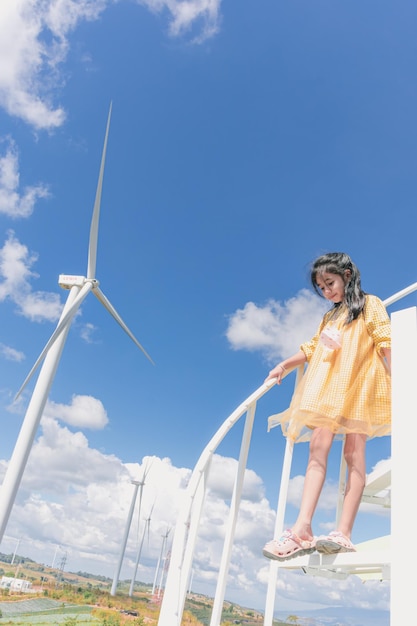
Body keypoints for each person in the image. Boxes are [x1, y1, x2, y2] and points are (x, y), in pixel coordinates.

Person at [262, 252, 391, 561]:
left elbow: (386, 341)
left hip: (359, 387)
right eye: (320, 287)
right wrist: (283, 365)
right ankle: (301, 529)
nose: (326, 291)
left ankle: (343, 532)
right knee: (316, 450)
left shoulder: (369, 305)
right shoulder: (329, 316)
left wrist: (399, 380)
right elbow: (311, 347)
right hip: (329, 390)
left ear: (347, 275)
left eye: (329, 283)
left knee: (353, 453)